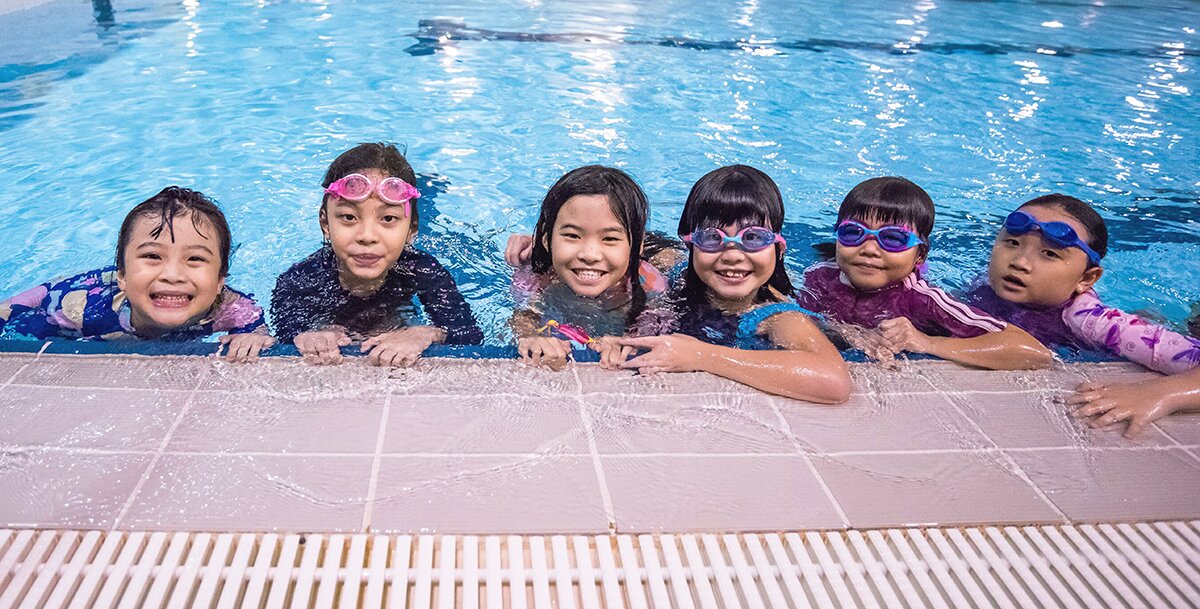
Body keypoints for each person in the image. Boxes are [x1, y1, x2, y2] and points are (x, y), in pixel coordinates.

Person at [620, 165, 851, 403]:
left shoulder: (775, 318)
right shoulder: (681, 272)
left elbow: (833, 380)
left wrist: (701, 356)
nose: (732, 255)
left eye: (753, 238)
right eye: (712, 238)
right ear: (691, 246)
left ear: (779, 248)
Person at [797, 176, 1052, 370]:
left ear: (920, 255)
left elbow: (1033, 352)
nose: (869, 249)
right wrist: (851, 335)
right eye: (853, 233)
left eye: (893, 239)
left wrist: (926, 342)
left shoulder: (924, 301)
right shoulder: (819, 276)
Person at [0, 186, 271, 361]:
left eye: (195, 258)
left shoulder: (232, 309)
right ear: (123, 277)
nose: (173, 274)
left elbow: (259, 331)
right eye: (153, 256)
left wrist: (253, 338)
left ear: (220, 280)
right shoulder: (82, 312)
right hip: (65, 293)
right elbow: (17, 321)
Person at [271, 142, 481, 366]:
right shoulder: (298, 281)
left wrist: (425, 334)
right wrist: (309, 337)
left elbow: (470, 336)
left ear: (411, 230)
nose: (367, 236)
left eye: (388, 219)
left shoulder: (422, 269)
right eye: (349, 217)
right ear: (325, 223)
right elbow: (284, 339)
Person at [965, 193, 1199, 375]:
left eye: (1049, 253)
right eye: (1013, 242)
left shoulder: (1093, 322)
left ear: (1086, 279)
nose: (1020, 262)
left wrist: (1157, 395)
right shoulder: (989, 280)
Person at [510, 165, 670, 370]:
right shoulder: (534, 279)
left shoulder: (651, 285)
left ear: (637, 247)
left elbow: (657, 326)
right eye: (572, 235)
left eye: (610, 238)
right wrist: (531, 336)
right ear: (547, 241)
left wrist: (629, 342)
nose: (589, 255)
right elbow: (523, 316)